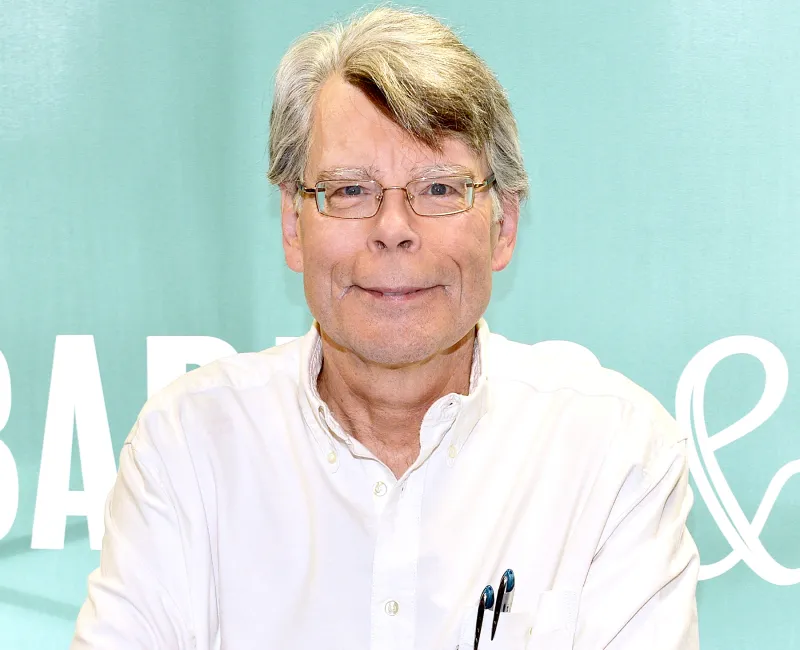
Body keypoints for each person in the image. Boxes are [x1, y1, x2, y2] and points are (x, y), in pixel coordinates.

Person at [71, 7, 699, 649]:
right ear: (293, 225)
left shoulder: (615, 450)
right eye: (349, 191)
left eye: (438, 190)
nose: (393, 228)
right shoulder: (188, 445)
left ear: (503, 225)